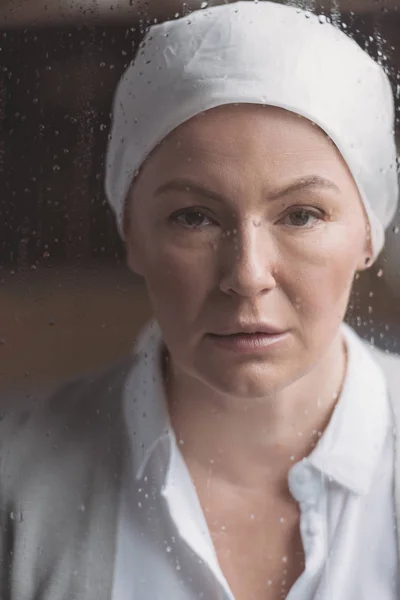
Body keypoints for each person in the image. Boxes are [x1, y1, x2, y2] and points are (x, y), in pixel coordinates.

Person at [0, 2, 399, 599]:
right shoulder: (14, 477)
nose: (247, 275)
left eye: (301, 214)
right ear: (132, 233)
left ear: (370, 230)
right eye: (194, 217)